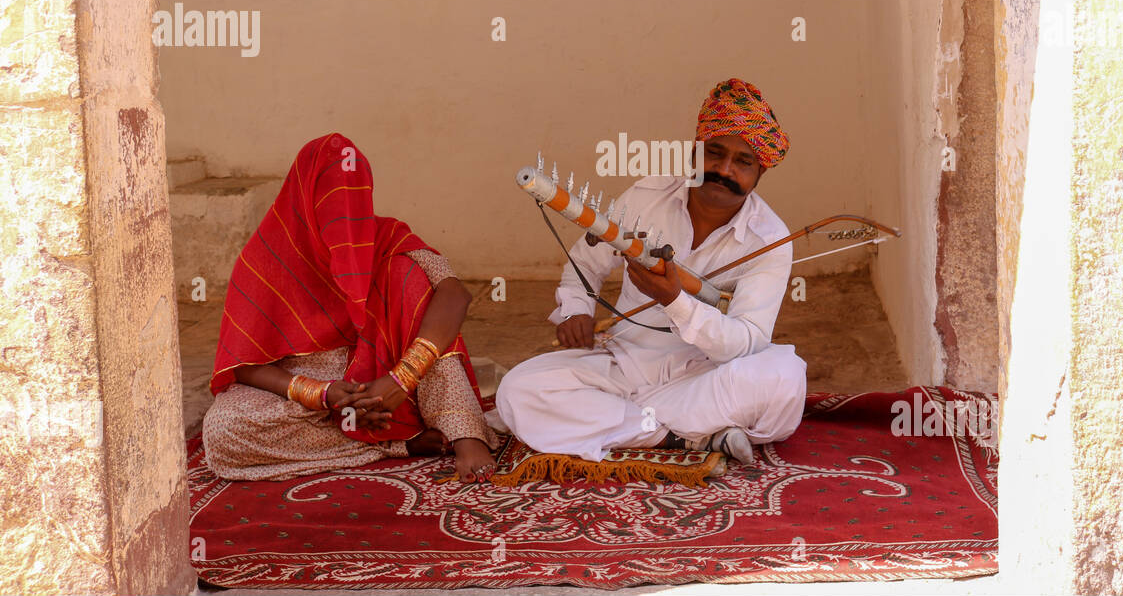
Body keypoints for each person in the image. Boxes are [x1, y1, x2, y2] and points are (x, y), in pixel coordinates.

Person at [493, 78, 806, 467]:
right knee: (517, 391)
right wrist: (576, 308)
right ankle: (690, 434)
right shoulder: (647, 197)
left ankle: (630, 423)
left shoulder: (770, 239)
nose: (724, 170)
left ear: (761, 172)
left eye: (743, 162)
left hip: (704, 374)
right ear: (696, 149)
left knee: (783, 378)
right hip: (624, 363)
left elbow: (746, 342)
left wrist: (675, 301)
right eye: (715, 152)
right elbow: (586, 263)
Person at [201, 132, 498, 483]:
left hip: (389, 382)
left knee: (410, 278)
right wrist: (321, 394)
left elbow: (454, 293)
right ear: (304, 198)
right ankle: (396, 444)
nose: (344, 215)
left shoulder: (387, 239)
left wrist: (399, 380)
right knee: (223, 432)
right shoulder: (265, 257)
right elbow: (245, 365)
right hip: (308, 396)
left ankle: (464, 434)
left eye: (354, 202)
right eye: (331, 203)